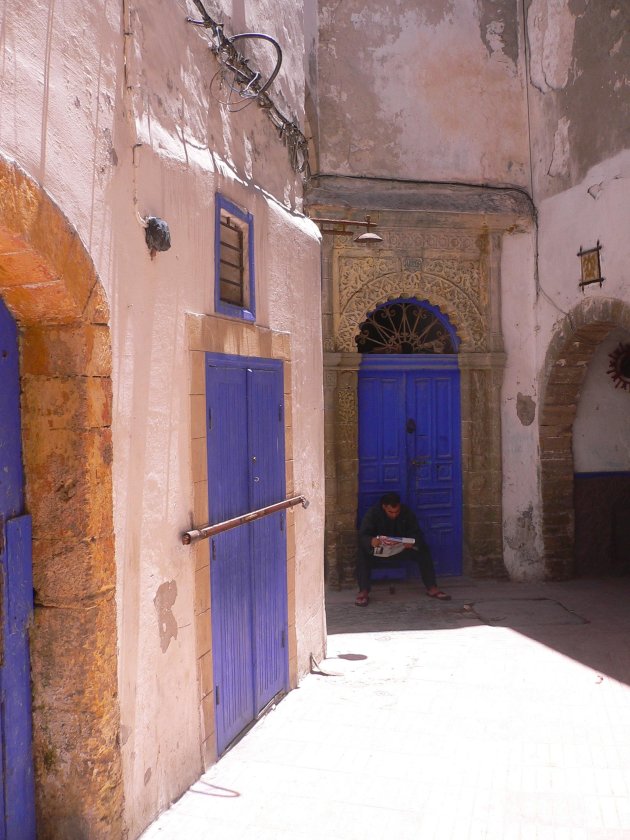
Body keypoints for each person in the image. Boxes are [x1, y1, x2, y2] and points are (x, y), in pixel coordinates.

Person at [355, 492, 450, 606]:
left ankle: (432, 588)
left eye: (397, 512)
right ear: (384, 507)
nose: (394, 515)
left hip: (401, 549)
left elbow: (418, 534)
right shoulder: (373, 514)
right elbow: (363, 535)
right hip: (379, 550)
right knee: (362, 553)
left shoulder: (406, 513)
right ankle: (363, 591)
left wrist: (412, 541)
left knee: (423, 550)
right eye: (390, 512)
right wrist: (371, 541)